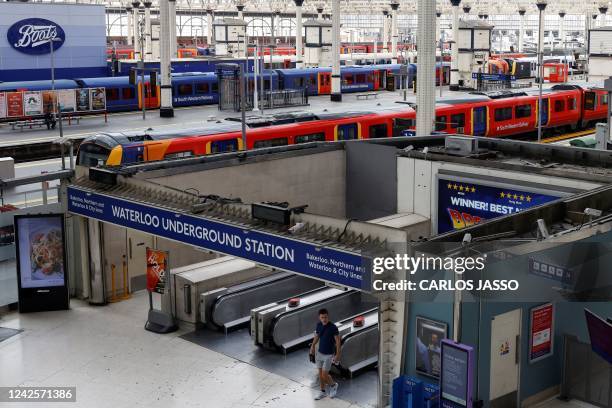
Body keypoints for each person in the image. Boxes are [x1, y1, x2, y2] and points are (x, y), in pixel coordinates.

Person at [310, 308, 341, 400]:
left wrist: (337, 354)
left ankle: (333, 385)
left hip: (328, 355)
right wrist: (312, 346)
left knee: (324, 374)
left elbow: (338, 342)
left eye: (326, 317)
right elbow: (317, 336)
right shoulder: (319, 325)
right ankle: (322, 391)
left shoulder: (333, 327)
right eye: (322, 317)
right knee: (320, 375)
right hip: (319, 353)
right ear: (319, 317)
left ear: (328, 316)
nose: (324, 319)